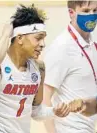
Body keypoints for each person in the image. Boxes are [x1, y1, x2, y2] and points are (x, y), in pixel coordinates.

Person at [0, 5, 71, 133]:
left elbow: (36, 111)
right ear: (20, 38)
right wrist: (5, 35)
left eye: (43, 38)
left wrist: (54, 111)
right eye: (38, 38)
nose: (43, 44)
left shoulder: (39, 68)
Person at [43, 1, 97, 133]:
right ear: (71, 13)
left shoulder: (91, 44)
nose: (92, 15)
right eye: (85, 11)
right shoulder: (61, 47)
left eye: (95, 10)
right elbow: (44, 99)